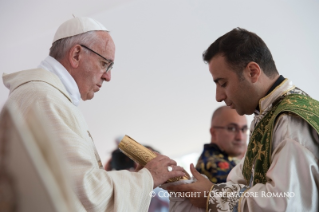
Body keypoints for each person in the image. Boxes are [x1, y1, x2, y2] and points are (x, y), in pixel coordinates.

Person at [2, 17, 186, 211]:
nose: (108, 76)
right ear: (76, 55)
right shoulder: (45, 98)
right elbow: (83, 192)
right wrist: (148, 177)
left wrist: (142, 179)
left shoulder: (47, 95)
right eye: (105, 63)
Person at [168, 28, 319, 211]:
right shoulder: (265, 115)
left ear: (253, 72)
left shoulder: (289, 120)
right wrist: (193, 186)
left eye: (223, 83)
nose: (218, 96)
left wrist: (211, 196)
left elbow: (286, 204)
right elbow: (241, 180)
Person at [195, 106, 247, 184]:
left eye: (243, 129)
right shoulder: (215, 166)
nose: (240, 137)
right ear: (214, 132)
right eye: (232, 128)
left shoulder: (225, 159)